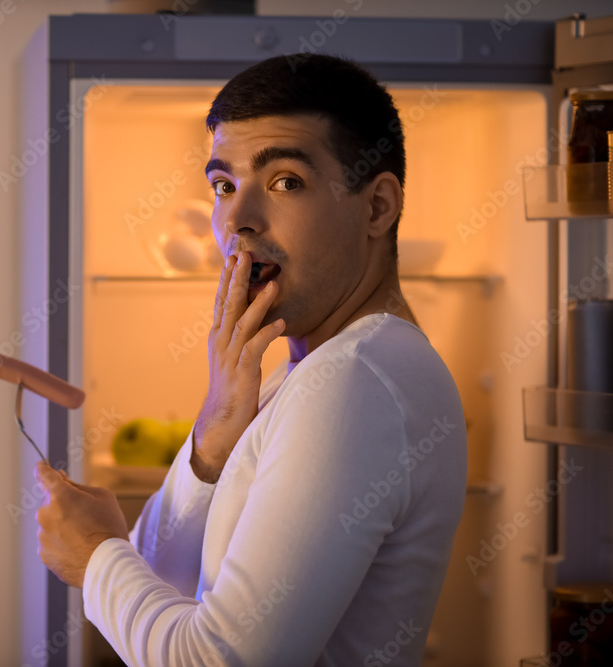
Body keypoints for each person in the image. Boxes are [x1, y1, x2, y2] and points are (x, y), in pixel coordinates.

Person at [34, 52, 467, 666]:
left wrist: (95, 555)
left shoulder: (354, 379)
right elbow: (162, 586)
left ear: (377, 207)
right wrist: (213, 438)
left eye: (285, 181)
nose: (235, 219)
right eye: (223, 185)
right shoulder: (316, 368)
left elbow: (218, 661)